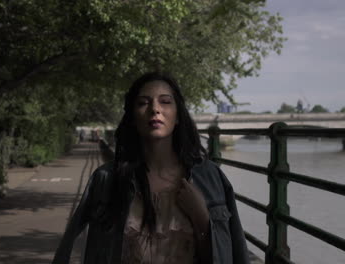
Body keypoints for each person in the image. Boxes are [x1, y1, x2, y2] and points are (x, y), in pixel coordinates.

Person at [52, 72, 249, 264]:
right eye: (143, 103)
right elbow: (72, 245)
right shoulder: (106, 179)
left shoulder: (210, 177)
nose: (155, 109)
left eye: (165, 101)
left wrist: (201, 217)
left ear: (178, 115)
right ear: (132, 118)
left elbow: (228, 255)